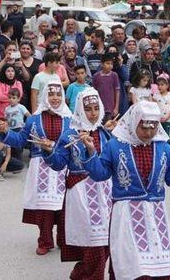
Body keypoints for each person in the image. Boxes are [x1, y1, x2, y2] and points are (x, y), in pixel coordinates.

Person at [81, 101, 170, 279]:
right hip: (126, 215)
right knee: (131, 267)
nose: (149, 132)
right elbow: (100, 174)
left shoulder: (164, 148)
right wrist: (90, 151)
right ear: (134, 122)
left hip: (156, 217)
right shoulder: (115, 146)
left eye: (154, 127)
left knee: (159, 269)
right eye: (144, 128)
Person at [41, 88, 114, 279]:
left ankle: (81, 273)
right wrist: (48, 151)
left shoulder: (105, 133)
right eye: (88, 108)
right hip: (81, 194)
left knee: (106, 240)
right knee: (93, 242)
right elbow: (58, 164)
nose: (93, 113)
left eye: (96, 108)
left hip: (105, 193)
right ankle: (86, 274)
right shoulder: (70, 134)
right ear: (80, 109)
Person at [0, 80, 72, 255]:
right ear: (45, 95)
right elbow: (21, 140)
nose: (54, 97)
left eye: (58, 94)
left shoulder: (71, 119)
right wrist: (6, 132)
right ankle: (45, 241)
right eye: (51, 94)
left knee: (64, 206)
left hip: (63, 168)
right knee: (44, 207)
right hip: (41, 169)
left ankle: (64, 240)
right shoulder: (34, 119)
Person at [91, 53, 120, 123]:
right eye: (107, 63)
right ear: (102, 64)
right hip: (99, 107)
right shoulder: (96, 76)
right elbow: (93, 91)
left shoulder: (114, 75)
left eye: (111, 64)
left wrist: (116, 107)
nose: (110, 66)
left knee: (109, 126)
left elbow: (117, 91)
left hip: (110, 108)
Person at [153, 74, 170, 143]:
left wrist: (167, 117)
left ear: (167, 85)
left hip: (168, 120)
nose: (160, 86)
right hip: (158, 120)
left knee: (168, 136)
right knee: (158, 136)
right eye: (158, 85)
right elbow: (154, 107)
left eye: (162, 85)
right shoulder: (155, 96)